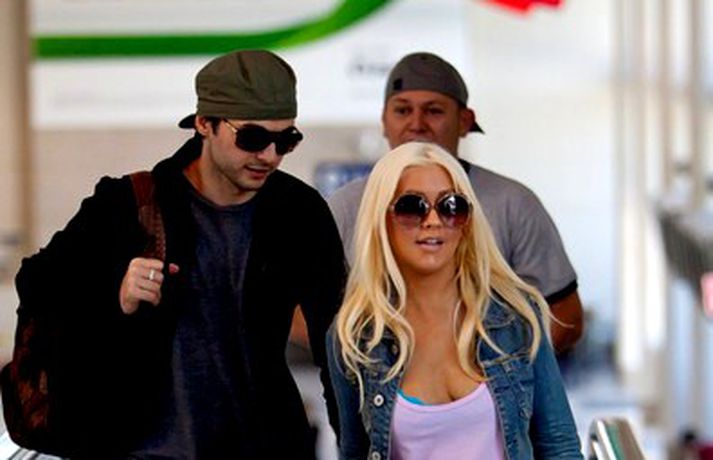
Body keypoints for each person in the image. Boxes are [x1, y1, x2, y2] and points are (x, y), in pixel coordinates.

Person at [14, 50, 346, 459]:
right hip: (143, 450)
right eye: (252, 138)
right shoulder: (127, 205)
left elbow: (337, 347)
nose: (270, 155)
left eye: (286, 140)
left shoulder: (299, 212)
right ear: (204, 124)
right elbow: (37, 286)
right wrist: (115, 295)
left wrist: (356, 446)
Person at [326, 141, 583, 459]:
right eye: (412, 207)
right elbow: (354, 452)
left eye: (451, 206)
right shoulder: (354, 336)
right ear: (381, 219)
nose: (433, 220)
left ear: (468, 221)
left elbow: (559, 445)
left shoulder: (517, 318)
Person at [327, 52, 583, 353]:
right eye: (402, 110)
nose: (416, 124)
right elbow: (293, 311)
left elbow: (566, 317)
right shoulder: (345, 207)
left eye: (433, 111)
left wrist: (493, 367)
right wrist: (357, 360)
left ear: (464, 121)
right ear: (384, 120)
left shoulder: (513, 204)